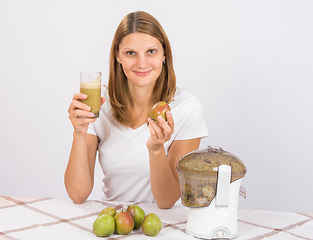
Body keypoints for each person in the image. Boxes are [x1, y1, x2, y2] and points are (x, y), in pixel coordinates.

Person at [65, 11, 208, 209]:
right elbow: (77, 194)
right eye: (131, 53)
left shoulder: (186, 107)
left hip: (165, 226)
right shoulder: (99, 105)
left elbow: (167, 200)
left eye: (151, 51)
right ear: (117, 56)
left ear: (164, 54)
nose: (142, 63)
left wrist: (156, 149)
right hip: (114, 222)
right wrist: (80, 132)